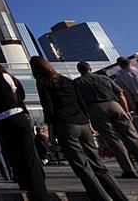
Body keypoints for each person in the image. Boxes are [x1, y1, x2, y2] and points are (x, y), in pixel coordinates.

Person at [31, 56, 127, 201]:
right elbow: (81, 102)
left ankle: (101, 198)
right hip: (82, 123)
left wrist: (51, 131)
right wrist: (89, 123)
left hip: (66, 125)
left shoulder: (43, 83)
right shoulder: (68, 81)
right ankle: (120, 197)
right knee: (98, 164)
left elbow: (48, 108)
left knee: (82, 166)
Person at [0, 56, 47, 200]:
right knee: (28, 154)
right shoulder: (5, 76)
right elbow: (14, 95)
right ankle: (39, 193)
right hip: (15, 116)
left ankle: (23, 183)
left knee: (11, 153)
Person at [74, 60, 138, 177]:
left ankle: (129, 170)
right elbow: (121, 94)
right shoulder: (103, 78)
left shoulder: (77, 83)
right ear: (90, 68)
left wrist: (88, 120)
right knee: (132, 136)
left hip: (95, 108)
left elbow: (79, 102)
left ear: (79, 71)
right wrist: (125, 110)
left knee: (113, 140)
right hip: (114, 104)